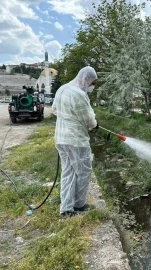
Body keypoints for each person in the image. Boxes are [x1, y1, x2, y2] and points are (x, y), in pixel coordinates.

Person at [52, 66, 99, 218]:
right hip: (76, 141)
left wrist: (68, 118)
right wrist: (94, 125)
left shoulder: (62, 89)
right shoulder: (79, 94)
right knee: (84, 172)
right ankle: (78, 204)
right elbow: (88, 119)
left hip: (61, 138)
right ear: (87, 79)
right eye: (93, 83)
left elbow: (54, 110)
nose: (92, 86)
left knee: (68, 171)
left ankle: (66, 208)